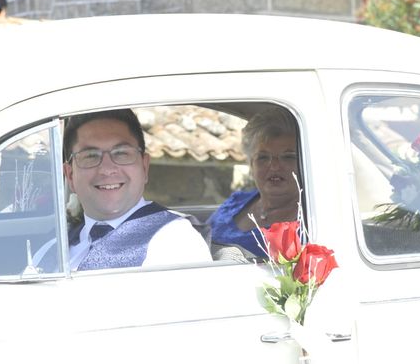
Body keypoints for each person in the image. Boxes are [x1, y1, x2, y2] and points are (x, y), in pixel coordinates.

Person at [62, 109, 212, 271]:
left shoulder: (176, 242)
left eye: (121, 153)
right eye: (91, 155)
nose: (107, 169)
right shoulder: (53, 247)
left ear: (144, 167)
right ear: (70, 176)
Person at [208, 107, 300, 260]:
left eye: (288, 157)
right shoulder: (236, 202)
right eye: (263, 157)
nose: (275, 166)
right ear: (251, 164)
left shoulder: (309, 217)